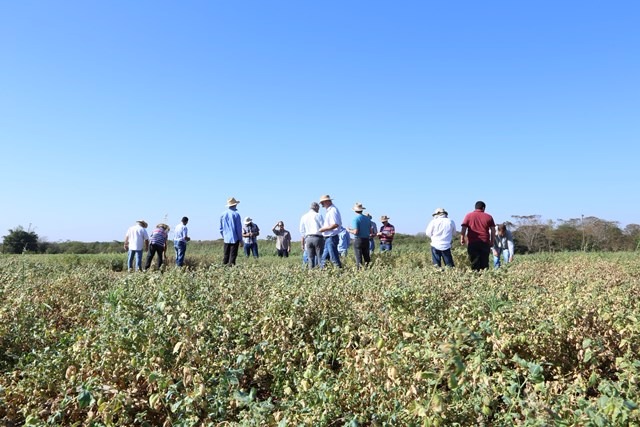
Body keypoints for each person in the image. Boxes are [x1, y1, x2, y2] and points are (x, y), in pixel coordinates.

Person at [460, 201, 496, 271]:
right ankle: (484, 278)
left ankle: (475, 277)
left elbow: (464, 228)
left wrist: (462, 238)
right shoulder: (489, 216)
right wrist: (492, 241)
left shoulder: (468, 216)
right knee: (484, 263)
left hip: (472, 242)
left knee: (474, 262)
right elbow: (493, 230)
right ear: (483, 208)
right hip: (484, 242)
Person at [318, 194, 343, 268]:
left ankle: (339, 272)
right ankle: (322, 274)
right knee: (324, 259)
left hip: (331, 237)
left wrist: (323, 229)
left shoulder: (332, 210)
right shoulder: (330, 210)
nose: (322, 205)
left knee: (334, 258)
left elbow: (335, 224)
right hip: (329, 238)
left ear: (327, 201)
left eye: (323, 202)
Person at [299, 202, 324, 268]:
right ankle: (322, 272)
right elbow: (323, 227)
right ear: (316, 207)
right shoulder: (318, 215)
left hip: (308, 238)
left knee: (310, 258)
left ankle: (311, 273)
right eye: (318, 208)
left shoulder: (304, 216)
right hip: (318, 237)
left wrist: (303, 241)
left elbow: (302, 231)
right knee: (320, 257)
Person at [220, 197, 243, 266]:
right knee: (232, 257)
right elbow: (238, 229)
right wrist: (241, 240)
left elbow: (220, 229)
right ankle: (230, 271)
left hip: (226, 238)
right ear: (235, 204)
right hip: (234, 238)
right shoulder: (236, 214)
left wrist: (224, 236)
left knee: (226, 256)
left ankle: (223, 270)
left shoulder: (222, 214)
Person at [348, 202, 371, 269]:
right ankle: (368, 270)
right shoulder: (367, 219)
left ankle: (359, 271)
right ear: (362, 210)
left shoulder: (355, 219)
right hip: (366, 239)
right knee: (367, 257)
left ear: (355, 210)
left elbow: (355, 232)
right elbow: (370, 230)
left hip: (358, 240)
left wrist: (349, 230)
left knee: (359, 258)